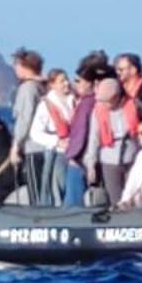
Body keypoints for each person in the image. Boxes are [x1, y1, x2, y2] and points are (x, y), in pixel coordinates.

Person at [81, 78, 141, 206]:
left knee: (134, 197)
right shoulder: (98, 111)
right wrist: (91, 164)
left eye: (106, 100)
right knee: (115, 199)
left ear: (116, 97)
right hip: (109, 160)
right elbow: (93, 138)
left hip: (132, 158)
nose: (104, 104)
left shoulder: (134, 105)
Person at [25, 68, 77, 206]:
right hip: (57, 154)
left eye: (66, 80)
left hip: (75, 153)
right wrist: (56, 142)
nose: (66, 83)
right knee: (57, 188)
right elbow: (35, 133)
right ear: (52, 85)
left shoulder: (75, 101)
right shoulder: (45, 106)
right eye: (61, 81)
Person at [61, 64, 104, 208]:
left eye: (79, 81)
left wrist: (73, 155)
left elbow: (81, 131)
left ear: (91, 83)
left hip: (80, 160)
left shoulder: (86, 104)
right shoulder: (97, 102)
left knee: (73, 203)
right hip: (92, 158)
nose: (76, 84)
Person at [6, 49, 45, 202]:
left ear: (24, 66)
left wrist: (16, 146)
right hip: (45, 146)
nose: (15, 69)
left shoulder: (28, 89)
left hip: (34, 146)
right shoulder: (42, 87)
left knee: (36, 189)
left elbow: (25, 119)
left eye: (16, 65)